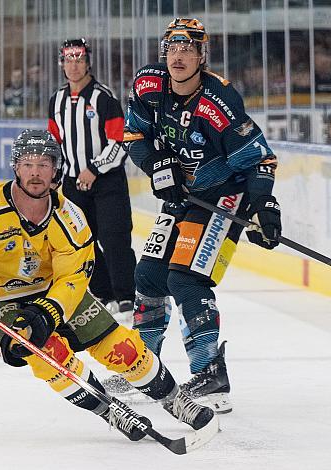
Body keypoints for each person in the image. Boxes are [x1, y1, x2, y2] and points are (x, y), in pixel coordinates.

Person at [0, 129, 216, 442]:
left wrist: (49, 310)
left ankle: (174, 400)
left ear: (56, 170)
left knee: (121, 346)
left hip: (55, 292)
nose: (35, 172)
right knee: (45, 351)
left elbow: (73, 278)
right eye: (27, 163)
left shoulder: (70, 219)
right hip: (1, 301)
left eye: (43, 163)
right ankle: (108, 410)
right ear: (16, 168)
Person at [121, 18, 282, 414]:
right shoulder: (148, 86)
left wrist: (263, 205)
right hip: (182, 198)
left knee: (185, 279)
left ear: (201, 55)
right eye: (172, 49)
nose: (178, 56)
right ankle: (144, 369)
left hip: (222, 197)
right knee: (149, 276)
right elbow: (133, 137)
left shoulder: (219, 102)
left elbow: (261, 159)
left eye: (188, 49)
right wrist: (159, 164)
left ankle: (211, 374)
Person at [48, 38, 137, 321]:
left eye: (79, 59)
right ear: (62, 64)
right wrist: (55, 177)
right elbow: (55, 143)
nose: (73, 65)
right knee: (81, 242)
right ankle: (105, 292)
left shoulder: (103, 97)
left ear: (88, 63)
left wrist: (95, 169)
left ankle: (127, 297)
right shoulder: (57, 101)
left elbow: (120, 140)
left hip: (107, 183)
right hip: (74, 185)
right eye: (68, 60)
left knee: (114, 239)